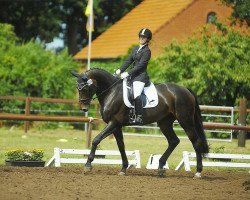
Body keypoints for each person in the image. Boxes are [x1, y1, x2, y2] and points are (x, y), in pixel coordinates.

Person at [115, 28, 152, 124]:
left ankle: (139, 117)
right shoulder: (135, 48)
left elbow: (141, 65)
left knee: (136, 94)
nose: (141, 38)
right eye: (140, 36)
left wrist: (128, 73)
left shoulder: (147, 51)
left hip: (140, 77)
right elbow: (128, 60)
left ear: (148, 39)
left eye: (144, 37)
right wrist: (120, 70)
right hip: (132, 77)